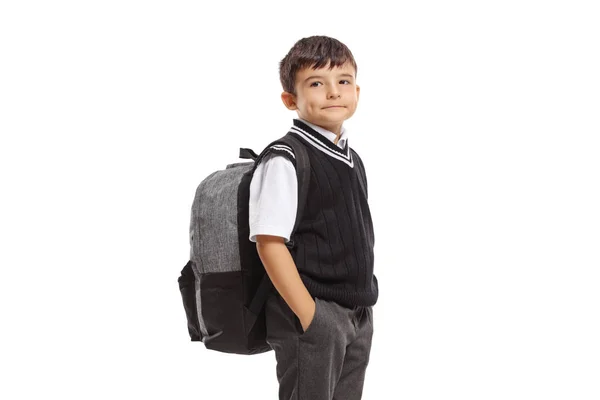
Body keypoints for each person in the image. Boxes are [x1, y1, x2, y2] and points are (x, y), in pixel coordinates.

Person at [249, 35, 378, 400]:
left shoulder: (351, 159)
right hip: (314, 314)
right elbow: (269, 243)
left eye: (344, 81)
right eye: (317, 83)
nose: (334, 92)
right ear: (291, 100)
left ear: (356, 91)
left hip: (356, 311)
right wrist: (310, 316)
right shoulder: (286, 158)